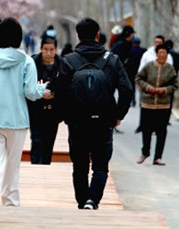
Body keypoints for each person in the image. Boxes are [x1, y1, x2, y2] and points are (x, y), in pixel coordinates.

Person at [47, 17, 132, 210]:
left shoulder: (68, 60)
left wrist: (64, 115)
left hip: (77, 123)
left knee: (80, 166)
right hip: (104, 122)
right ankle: (93, 201)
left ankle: (82, 201)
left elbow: (57, 91)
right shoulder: (112, 60)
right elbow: (126, 89)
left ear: (78, 36)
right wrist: (119, 114)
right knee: (101, 166)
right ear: (97, 34)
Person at [0, 18, 51, 206]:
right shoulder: (26, 61)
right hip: (18, 120)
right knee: (12, 163)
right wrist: (43, 89)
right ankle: (10, 201)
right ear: (19, 38)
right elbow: (31, 93)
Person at [135, 42, 178, 165]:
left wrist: (164, 90)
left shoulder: (170, 69)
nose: (162, 55)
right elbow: (138, 78)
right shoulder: (149, 66)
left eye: (164, 53)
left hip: (163, 105)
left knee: (161, 131)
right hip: (147, 103)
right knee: (146, 129)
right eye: (160, 53)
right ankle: (145, 152)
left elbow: (175, 85)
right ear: (156, 54)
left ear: (167, 54)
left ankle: (158, 157)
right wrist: (147, 87)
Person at [28, 35, 62, 164]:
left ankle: (45, 166)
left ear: (56, 49)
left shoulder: (61, 64)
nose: (48, 53)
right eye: (45, 49)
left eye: (51, 50)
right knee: (36, 141)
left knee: (48, 144)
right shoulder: (33, 64)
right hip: (35, 110)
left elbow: (66, 85)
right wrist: (39, 93)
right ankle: (35, 167)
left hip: (53, 112)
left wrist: (55, 94)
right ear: (41, 48)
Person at [126, 36, 146, 106]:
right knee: (141, 86)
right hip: (141, 71)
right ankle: (141, 101)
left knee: (132, 86)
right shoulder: (143, 50)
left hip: (132, 71)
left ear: (133, 43)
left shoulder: (130, 51)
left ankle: (133, 101)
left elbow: (128, 62)